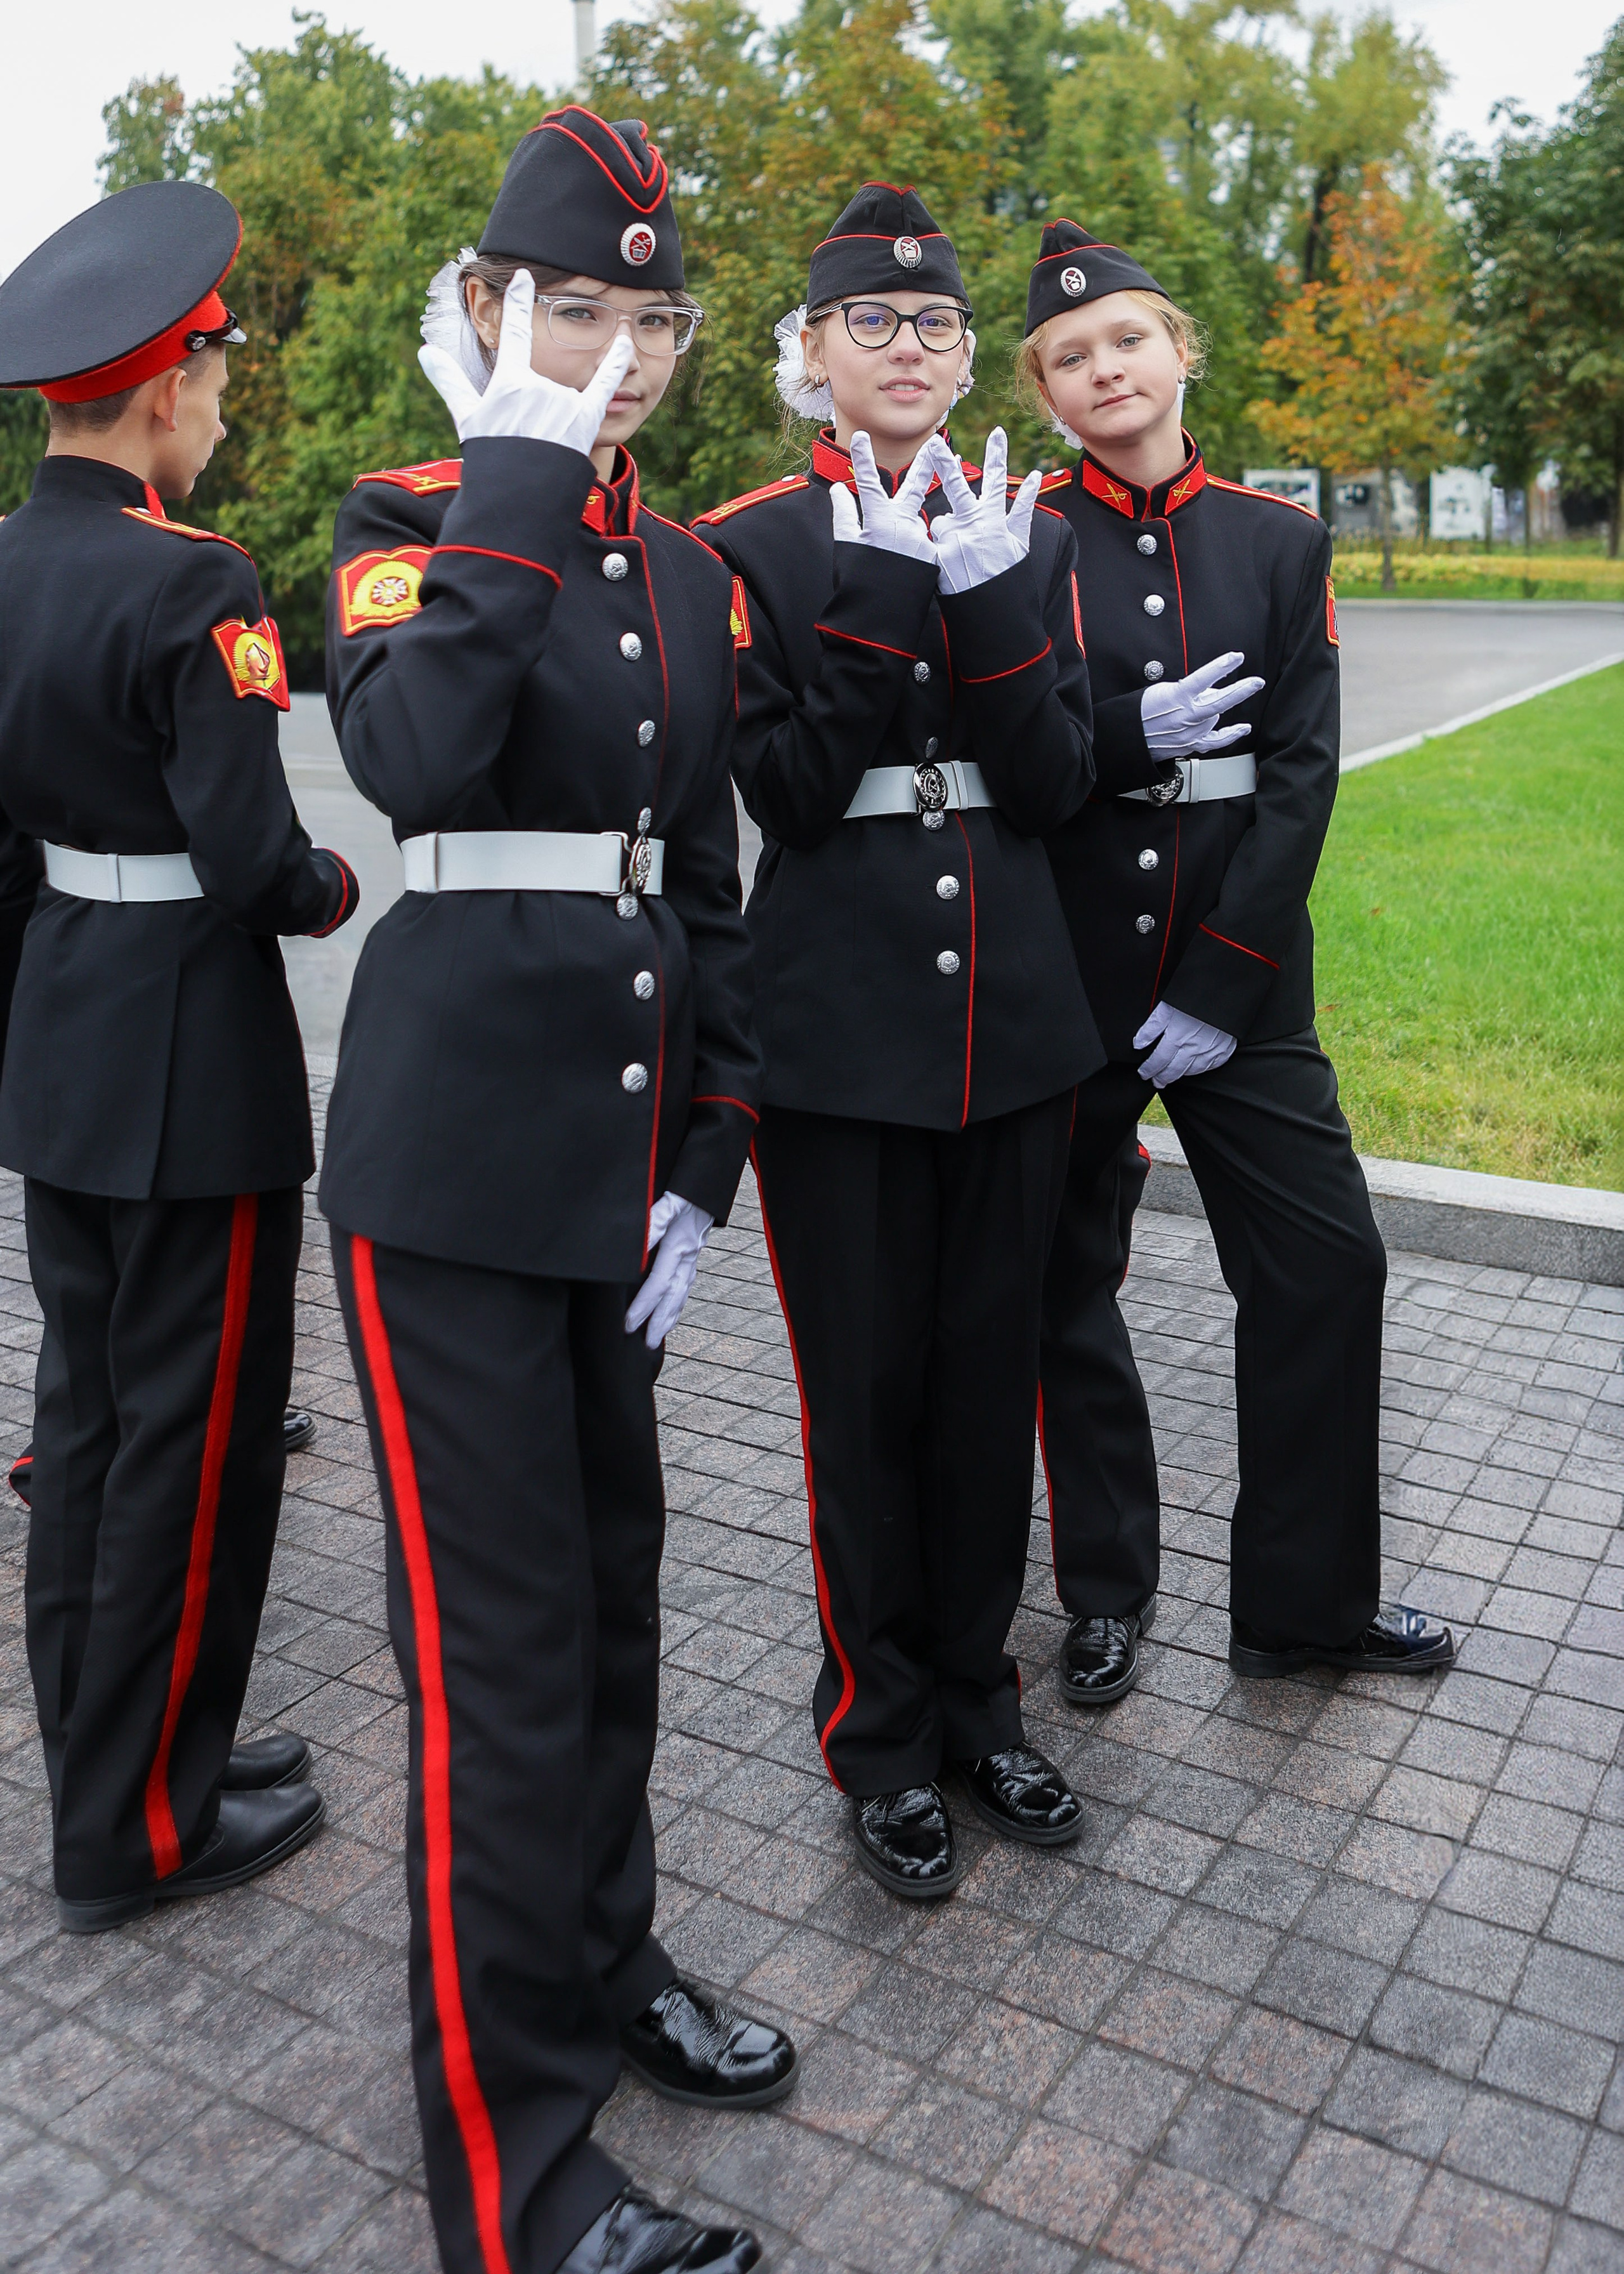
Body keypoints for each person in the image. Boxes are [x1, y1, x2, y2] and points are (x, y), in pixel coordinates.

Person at [321, 108, 788, 2274]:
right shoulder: (403, 520)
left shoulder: (696, 574)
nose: (610, 356)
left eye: (645, 320)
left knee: (612, 1614)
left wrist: (706, 1148)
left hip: (619, 1181)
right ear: (492, 315)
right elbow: (415, 763)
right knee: (498, 1676)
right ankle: (519, 2183)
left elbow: (707, 885)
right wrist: (514, 471)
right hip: (448, 1179)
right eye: (568, 311)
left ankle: (610, 1967)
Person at [693, 184, 1097, 1905]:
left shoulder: (1035, 526)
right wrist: (879, 577)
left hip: (1012, 1021)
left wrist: (998, 603)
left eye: (938, 325)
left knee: (986, 1384)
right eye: (878, 322)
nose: (914, 348)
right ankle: (877, 1731)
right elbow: (783, 788)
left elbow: (1064, 781)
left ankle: (980, 1705)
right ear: (814, 353)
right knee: (863, 1399)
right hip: (845, 1028)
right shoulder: (749, 544)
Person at [1021, 220, 1455, 1699]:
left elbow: (1300, 773)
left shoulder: (1277, 538)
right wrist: (1098, 747)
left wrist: (1218, 980)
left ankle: (1303, 1607)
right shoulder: (1014, 539)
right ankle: (1102, 1592)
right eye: (1069, 358)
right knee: (1059, 1281)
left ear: (1177, 350)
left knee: (1326, 1266)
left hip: (1241, 972)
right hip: (1069, 966)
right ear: (1045, 393)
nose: (1103, 369)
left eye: (1124, 339)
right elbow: (1014, 764)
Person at [0, 180, 359, 1933]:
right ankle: (144, 1823)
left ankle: (124, 1752)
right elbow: (255, 861)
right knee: (192, 1452)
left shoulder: (7, 563)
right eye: (218, 382)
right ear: (163, 390)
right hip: (190, 1072)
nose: (222, 414)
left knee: (87, 1428)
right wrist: (332, 883)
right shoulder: (193, 578)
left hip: (63, 1040)